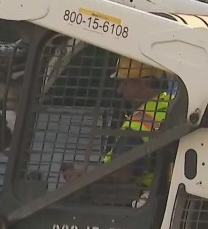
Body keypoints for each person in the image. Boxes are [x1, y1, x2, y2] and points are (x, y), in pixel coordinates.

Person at [62, 56, 171, 206]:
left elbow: (121, 173)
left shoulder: (141, 122)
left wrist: (84, 178)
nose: (119, 90)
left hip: (135, 204)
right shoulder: (170, 105)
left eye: (124, 83)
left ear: (143, 82)